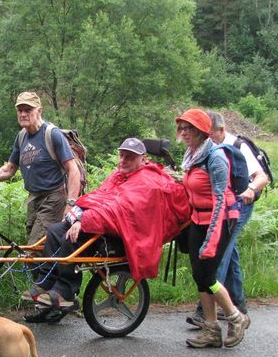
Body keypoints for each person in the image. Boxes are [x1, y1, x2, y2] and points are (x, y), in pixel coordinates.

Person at [22, 137, 190, 323]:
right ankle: (46, 283)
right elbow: (99, 198)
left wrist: (83, 220)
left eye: (130, 157)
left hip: (122, 235)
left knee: (69, 238)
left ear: (143, 159)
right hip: (103, 224)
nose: (123, 160)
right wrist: (77, 213)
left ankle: (65, 292)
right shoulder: (119, 175)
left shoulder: (147, 182)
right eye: (122, 155)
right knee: (55, 230)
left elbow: (119, 210)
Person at [186, 111, 269, 328]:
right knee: (230, 256)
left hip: (236, 208)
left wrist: (250, 190)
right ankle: (238, 305)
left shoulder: (234, 148)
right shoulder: (196, 153)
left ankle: (206, 312)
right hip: (210, 211)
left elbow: (262, 176)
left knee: (217, 259)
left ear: (218, 130)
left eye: (209, 132)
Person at [176, 108, 249, 347]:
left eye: (189, 128)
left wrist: (211, 239)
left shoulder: (216, 157)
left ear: (201, 131)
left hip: (219, 221)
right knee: (199, 276)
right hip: (198, 220)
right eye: (182, 128)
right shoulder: (192, 155)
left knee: (208, 275)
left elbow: (220, 200)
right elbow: (193, 186)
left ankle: (235, 317)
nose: (184, 133)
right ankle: (211, 329)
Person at [0, 91, 81, 252]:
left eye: (28, 110)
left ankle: (47, 276)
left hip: (54, 198)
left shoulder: (52, 134)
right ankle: (50, 276)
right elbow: (9, 169)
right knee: (37, 249)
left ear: (39, 110)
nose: (23, 114)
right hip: (34, 200)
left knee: (33, 249)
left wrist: (71, 204)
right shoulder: (21, 137)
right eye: (20, 110)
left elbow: (73, 170)